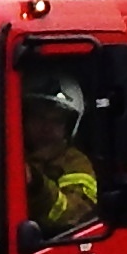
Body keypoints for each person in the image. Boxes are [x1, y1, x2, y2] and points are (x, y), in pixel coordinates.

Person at [19, 73, 100, 234]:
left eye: (57, 121)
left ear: (70, 127)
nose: (46, 128)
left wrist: (36, 183)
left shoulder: (76, 163)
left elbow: (73, 214)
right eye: (39, 118)